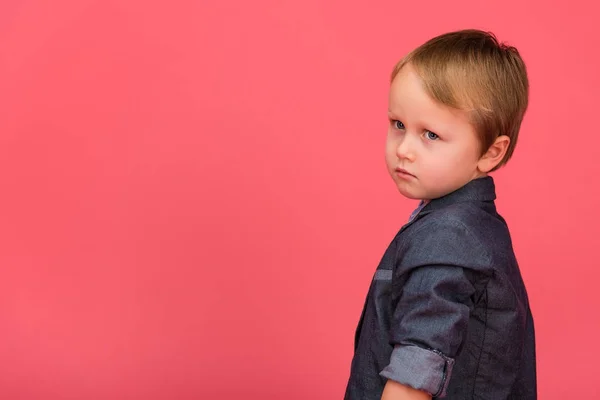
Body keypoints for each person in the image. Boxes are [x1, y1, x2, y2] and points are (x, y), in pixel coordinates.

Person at [344, 29, 536, 400]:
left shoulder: (450, 234)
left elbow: (419, 360)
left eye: (430, 134)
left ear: (490, 153)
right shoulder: (474, 226)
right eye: (398, 125)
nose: (405, 149)